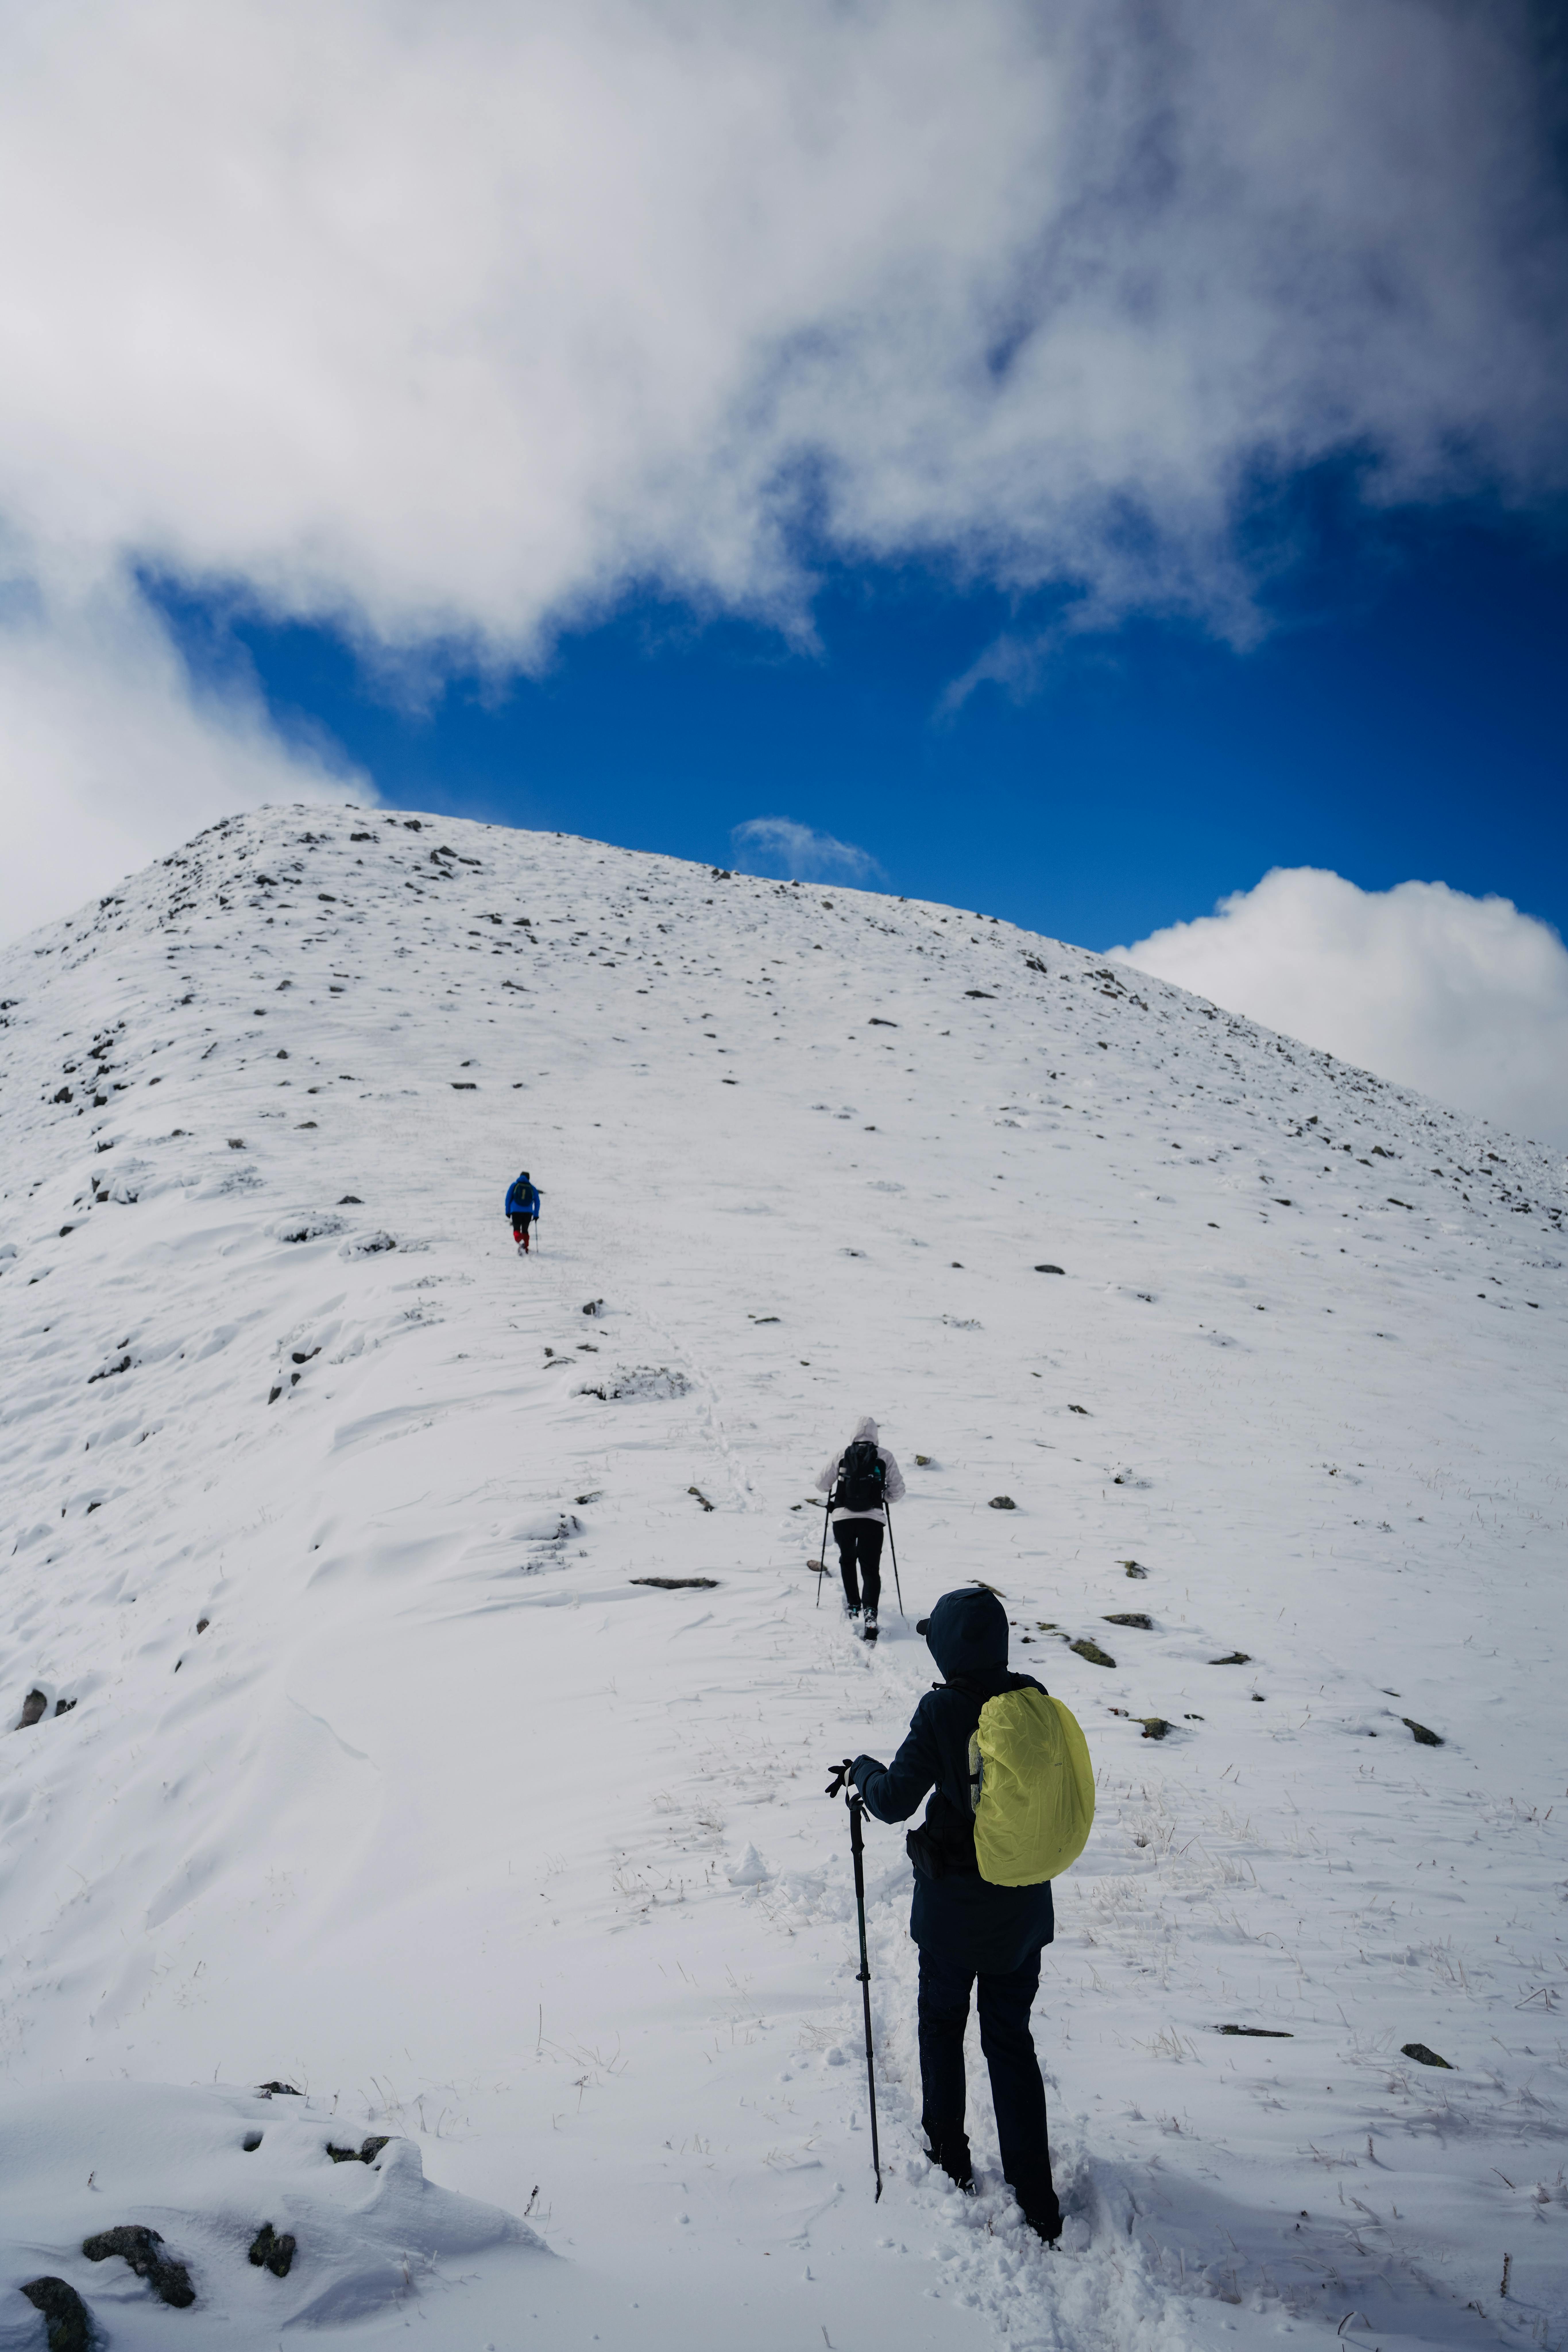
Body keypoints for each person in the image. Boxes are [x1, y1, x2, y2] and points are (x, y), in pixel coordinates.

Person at [847, 1587, 1062, 2243]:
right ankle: (1036, 2194)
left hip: (951, 1919)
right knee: (1010, 2043)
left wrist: (862, 1770)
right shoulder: (1033, 1702)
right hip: (1022, 1910)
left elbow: (892, 1802)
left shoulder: (941, 1710)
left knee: (943, 2024)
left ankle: (949, 2157)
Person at [815, 1415, 905, 1640]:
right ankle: (871, 1614)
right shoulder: (885, 1456)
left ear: (853, 1433)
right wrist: (883, 1497)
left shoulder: (843, 1454)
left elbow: (821, 1484)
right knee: (870, 1568)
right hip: (872, 1520)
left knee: (847, 1559)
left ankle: (854, 1605)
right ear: (876, 1435)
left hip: (842, 1518)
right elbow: (898, 1492)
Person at [504, 1169, 542, 1253]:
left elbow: (508, 1199)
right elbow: (537, 1202)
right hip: (528, 1213)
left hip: (515, 1212)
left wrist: (508, 1211)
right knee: (525, 1230)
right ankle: (526, 1247)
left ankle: (520, 1240)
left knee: (517, 1229)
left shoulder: (514, 1185)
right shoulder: (532, 1188)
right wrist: (536, 1215)